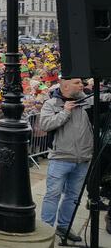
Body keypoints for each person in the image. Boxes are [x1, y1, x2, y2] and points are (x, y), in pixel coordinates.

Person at [40, 77, 111, 241]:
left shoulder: (87, 102)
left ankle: (64, 227)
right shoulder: (52, 104)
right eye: (77, 83)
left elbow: (104, 98)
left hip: (83, 159)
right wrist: (65, 112)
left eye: (82, 83)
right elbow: (45, 125)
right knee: (52, 195)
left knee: (72, 196)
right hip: (60, 158)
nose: (82, 86)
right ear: (65, 85)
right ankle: (46, 229)